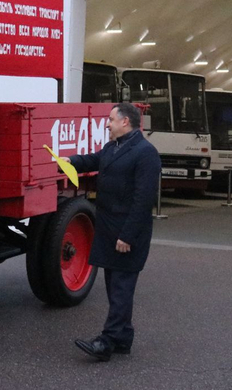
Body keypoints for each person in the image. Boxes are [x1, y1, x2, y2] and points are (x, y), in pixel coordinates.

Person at [63, 102, 161, 361]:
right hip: (108, 230)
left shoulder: (146, 153)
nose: (107, 124)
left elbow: (143, 200)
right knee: (114, 286)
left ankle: (106, 341)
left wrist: (127, 236)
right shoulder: (112, 147)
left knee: (121, 288)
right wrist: (69, 161)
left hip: (127, 234)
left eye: (110, 119)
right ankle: (123, 338)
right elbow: (94, 159)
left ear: (125, 122)